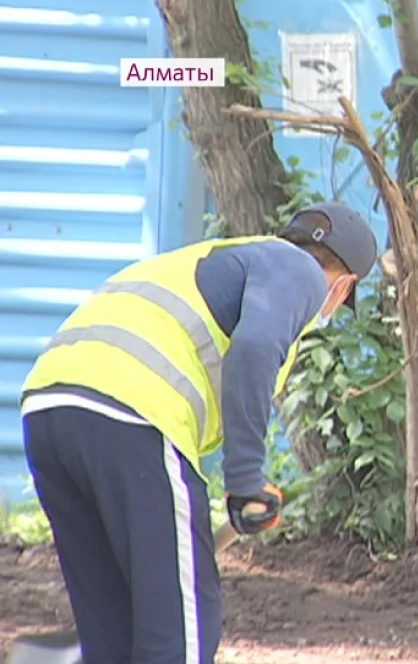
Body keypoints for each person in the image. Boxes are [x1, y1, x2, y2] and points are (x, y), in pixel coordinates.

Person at [20, 203, 379, 664]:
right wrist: (246, 479)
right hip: (130, 412)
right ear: (344, 285)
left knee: (112, 631)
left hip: (49, 411)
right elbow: (253, 350)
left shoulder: (214, 260)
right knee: (181, 630)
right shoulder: (299, 270)